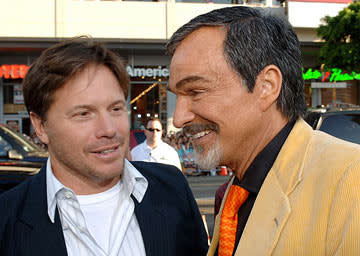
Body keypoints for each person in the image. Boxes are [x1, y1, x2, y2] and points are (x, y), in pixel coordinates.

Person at [166, 6, 360, 256]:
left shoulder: (351, 179)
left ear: (266, 87)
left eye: (195, 91)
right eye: (178, 96)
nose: (179, 118)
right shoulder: (234, 192)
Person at [0, 36, 208, 256]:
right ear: (41, 126)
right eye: (84, 114)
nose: (109, 129)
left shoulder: (172, 189)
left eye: (116, 109)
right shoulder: (7, 220)